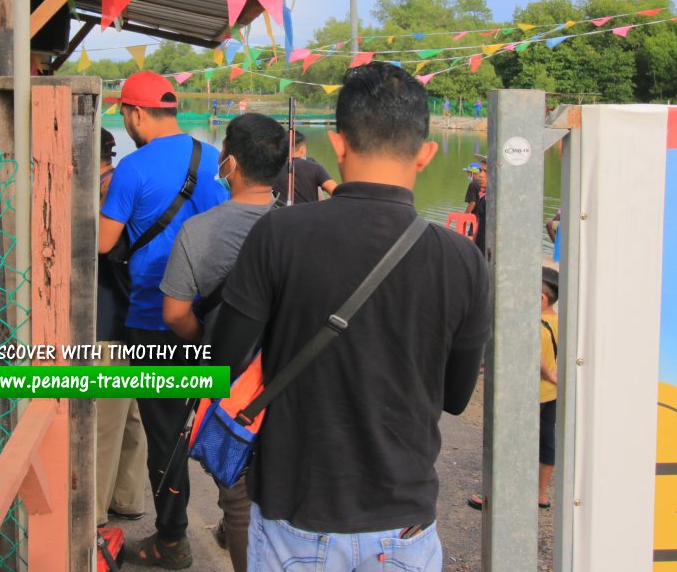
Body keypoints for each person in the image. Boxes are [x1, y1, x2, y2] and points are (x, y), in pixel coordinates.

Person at [211, 62, 492, 572]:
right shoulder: (461, 259)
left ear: (337, 145)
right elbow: (454, 398)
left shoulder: (279, 236)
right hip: (402, 519)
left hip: (295, 509)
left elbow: (222, 363)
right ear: (426, 155)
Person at [98, 71, 227, 568]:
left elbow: (106, 243)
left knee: (165, 435)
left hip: (153, 319)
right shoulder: (215, 159)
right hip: (208, 318)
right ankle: (235, 520)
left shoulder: (132, 168)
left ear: (133, 113)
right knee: (213, 422)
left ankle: (172, 539)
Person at [160, 113, 287, 572]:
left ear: (227, 162)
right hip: (287, 375)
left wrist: (208, 340)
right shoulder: (299, 227)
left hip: (229, 382)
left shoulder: (200, 230)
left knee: (237, 496)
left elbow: (174, 313)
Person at [468, 266, 560, 511]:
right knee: (546, 443)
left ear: (541, 298)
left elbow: (534, 351)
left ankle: (494, 492)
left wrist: (546, 371)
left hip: (531, 394)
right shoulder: (559, 320)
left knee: (511, 442)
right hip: (552, 394)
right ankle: (540, 494)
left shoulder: (536, 324)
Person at [95, 128, 148, 527]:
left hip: (107, 317)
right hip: (140, 314)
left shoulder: (97, 195)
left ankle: (92, 512)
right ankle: (128, 498)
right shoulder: (130, 183)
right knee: (132, 417)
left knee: (103, 425)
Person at [273, 130, 336, 206]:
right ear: (302, 149)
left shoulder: (272, 169)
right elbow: (337, 192)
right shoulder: (316, 167)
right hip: (311, 215)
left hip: (281, 215)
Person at [472, 166, 488, 256]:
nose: (480, 175)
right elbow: (478, 227)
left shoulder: (501, 202)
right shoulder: (483, 199)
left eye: (486, 171)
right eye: (480, 170)